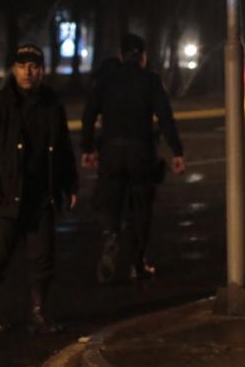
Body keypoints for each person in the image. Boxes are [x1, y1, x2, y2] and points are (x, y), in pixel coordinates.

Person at [0, 44, 78, 334]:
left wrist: (69, 184)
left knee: (43, 257)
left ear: (42, 70)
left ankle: (38, 311)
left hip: (39, 194)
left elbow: (63, 148)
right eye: (22, 66)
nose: (28, 72)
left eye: (34, 66)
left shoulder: (51, 103)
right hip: (7, 194)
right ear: (13, 69)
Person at [80, 34, 186, 282]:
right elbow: (165, 117)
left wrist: (87, 148)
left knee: (109, 199)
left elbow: (88, 115)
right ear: (143, 56)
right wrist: (177, 151)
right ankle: (137, 262)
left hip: (111, 152)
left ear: (122, 53)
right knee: (141, 207)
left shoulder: (105, 80)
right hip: (141, 151)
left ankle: (111, 234)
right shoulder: (150, 80)